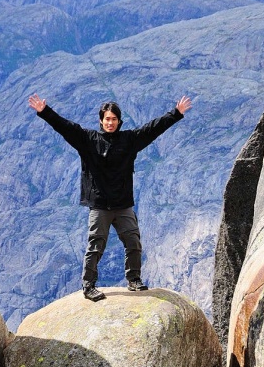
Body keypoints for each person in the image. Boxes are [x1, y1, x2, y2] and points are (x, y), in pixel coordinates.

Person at [28, 93, 192, 301]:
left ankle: (134, 280)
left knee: (133, 242)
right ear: (101, 120)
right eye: (107, 119)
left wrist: (176, 114)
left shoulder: (130, 140)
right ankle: (89, 286)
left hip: (123, 204)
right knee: (95, 246)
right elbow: (65, 127)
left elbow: (153, 129)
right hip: (99, 205)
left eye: (114, 119)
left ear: (119, 121)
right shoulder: (88, 140)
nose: (110, 122)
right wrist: (45, 112)